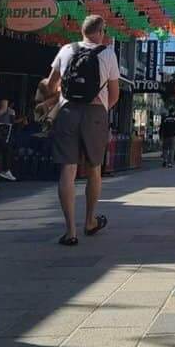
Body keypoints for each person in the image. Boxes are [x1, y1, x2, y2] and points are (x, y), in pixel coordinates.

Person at [39, 14, 120, 247]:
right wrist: (101, 108)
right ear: (101, 31)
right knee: (95, 168)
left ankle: (70, 231)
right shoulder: (107, 53)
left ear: (82, 31)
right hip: (95, 113)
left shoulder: (66, 50)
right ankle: (90, 221)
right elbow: (114, 94)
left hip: (67, 112)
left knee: (68, 169)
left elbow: (50, 85)